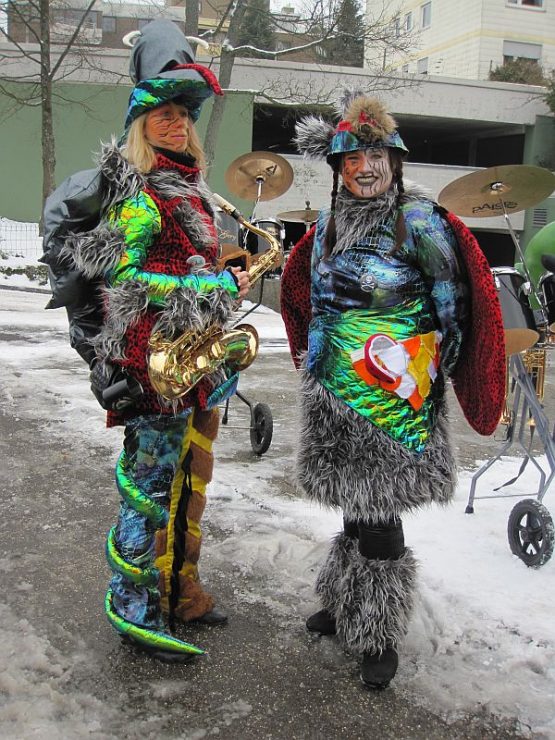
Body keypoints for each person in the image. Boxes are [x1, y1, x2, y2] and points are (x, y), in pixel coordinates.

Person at [280, 92, 506, 688]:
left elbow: (453, 307)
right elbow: (310, 295)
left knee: (379, 513)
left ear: (395, 162)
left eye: (375, 156)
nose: (365, 168)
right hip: (333, 389)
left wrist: (427, 375)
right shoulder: (326, 225)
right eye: (352, 159)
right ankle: (342, 599)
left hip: (392, 391)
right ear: (338, 168)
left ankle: (377, 630)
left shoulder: (421, 222)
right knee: (353, 504)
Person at [43, 21, 250, 662]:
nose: (176, 124)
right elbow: (126, 279)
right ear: (141, 124)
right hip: (154, 364)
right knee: (148, 488)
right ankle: (132, 608)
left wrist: (227, 277)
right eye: (163, 114)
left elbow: (187, 263)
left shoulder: (190, 187)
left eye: (183, 114)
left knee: (187, 484)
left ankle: (179, 592)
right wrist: (214, 284)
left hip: (194, 360)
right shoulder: (139, 193)